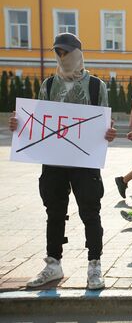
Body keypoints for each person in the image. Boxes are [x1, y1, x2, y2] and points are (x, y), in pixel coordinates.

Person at [8, 33, 116, 289]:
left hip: (84, 160)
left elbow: (103, 123)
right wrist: (18, 123)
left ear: (79, 53)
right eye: (59, 52)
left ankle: (94, 265)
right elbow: (35, 121)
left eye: (67, 52)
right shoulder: (47, 85)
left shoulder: (95, 86)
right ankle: (53, 264)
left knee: (91, 211)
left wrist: (108, 132)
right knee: (54, 212)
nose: (63, 57)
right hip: (54, 160)